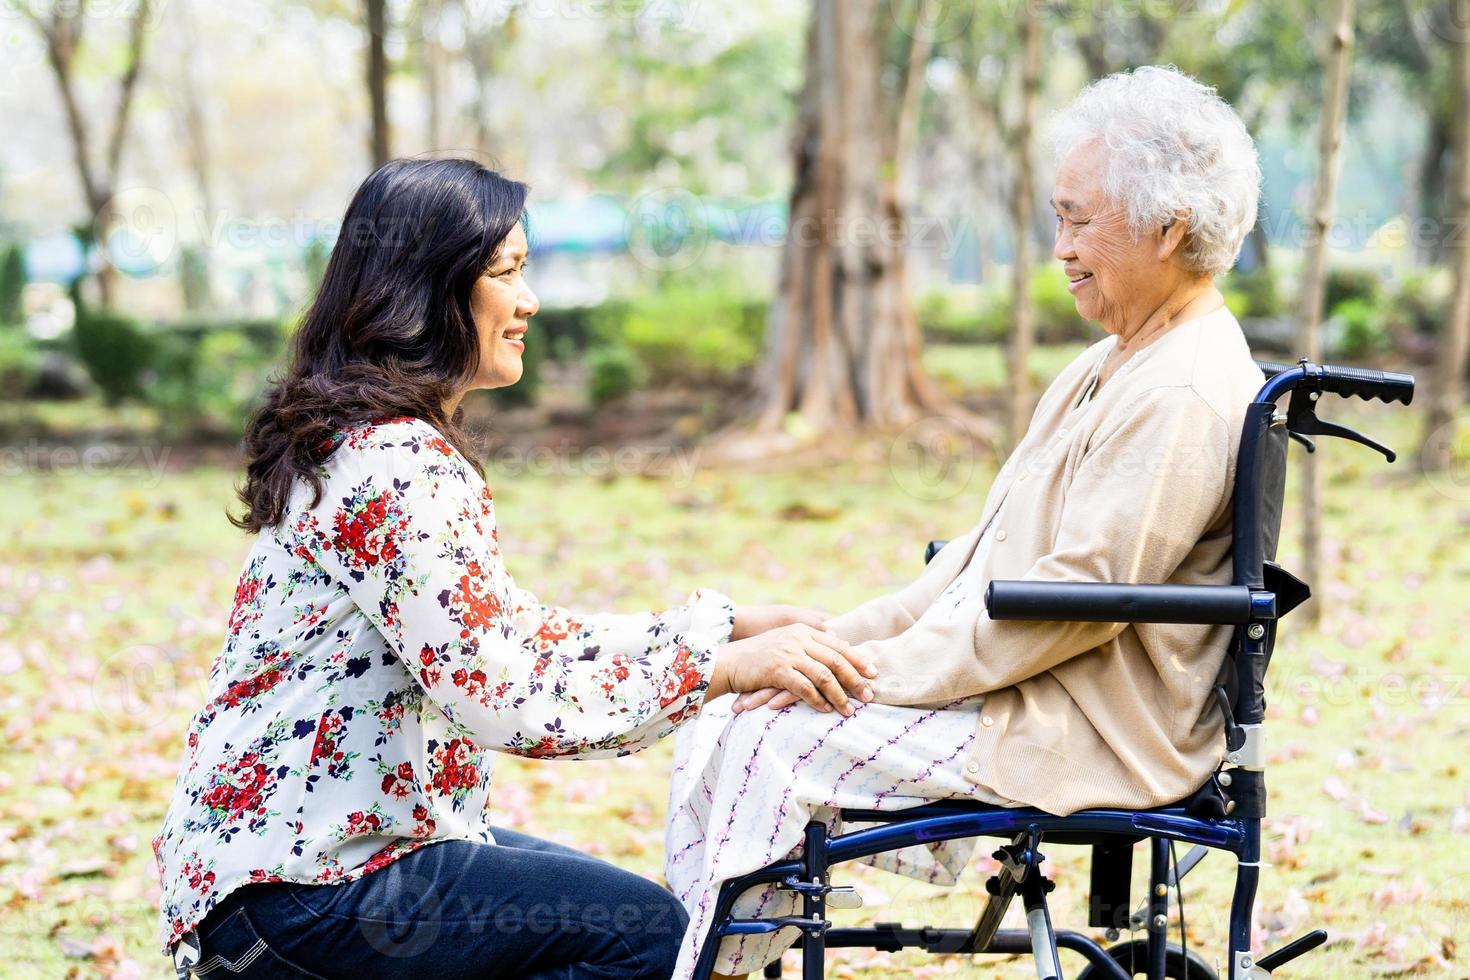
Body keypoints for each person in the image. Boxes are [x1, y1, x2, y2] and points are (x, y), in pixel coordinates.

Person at [151, 157, 878, 980]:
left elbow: (511, 633)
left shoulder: (368, 442)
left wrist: (718, 627)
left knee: (616, 917)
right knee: (647, 936)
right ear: (429, 291)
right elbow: (508, 699)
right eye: (506, 273)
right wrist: (716, 669)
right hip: (304, 891)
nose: (528, 300)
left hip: (304, 866)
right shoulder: (396, 463)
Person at [666, 65, 1270, 978]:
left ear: (1168, 227)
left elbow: (1081, 602)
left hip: (1090, 731)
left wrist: (874, 675)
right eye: (1058, 218)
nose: (1059, 247)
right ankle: (705, 957)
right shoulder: (1111, 361)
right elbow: (973, 563)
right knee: (731, 716)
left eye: (1078, 219)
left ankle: (708, 965)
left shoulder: (1181, 386)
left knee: (766, 737)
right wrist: (835, 641)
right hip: (1032, 690)